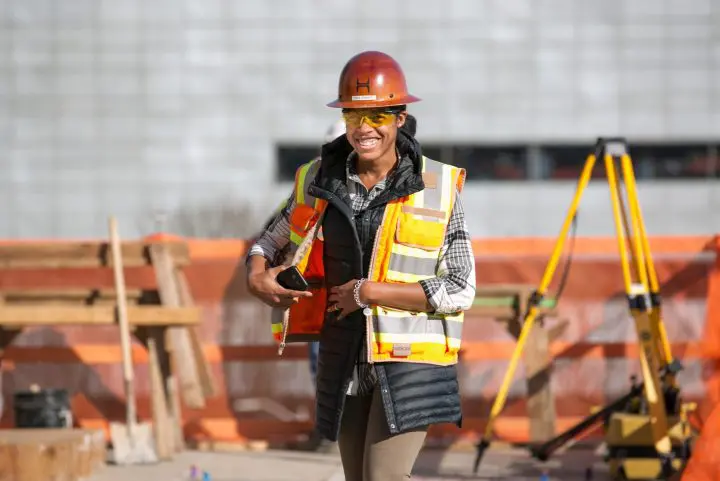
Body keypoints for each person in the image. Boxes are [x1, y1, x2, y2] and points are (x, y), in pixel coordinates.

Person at [246, 50, 475, 481]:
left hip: (410, 360)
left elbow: (462, 287)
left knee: (382, 478)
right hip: (347, 356)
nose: (364, 129)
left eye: (378, 116)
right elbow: (269, 240)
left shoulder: (439, 189)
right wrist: (256, 273)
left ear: (400, 119)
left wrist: (368, 293)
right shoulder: (318, 179)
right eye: (354, 117)